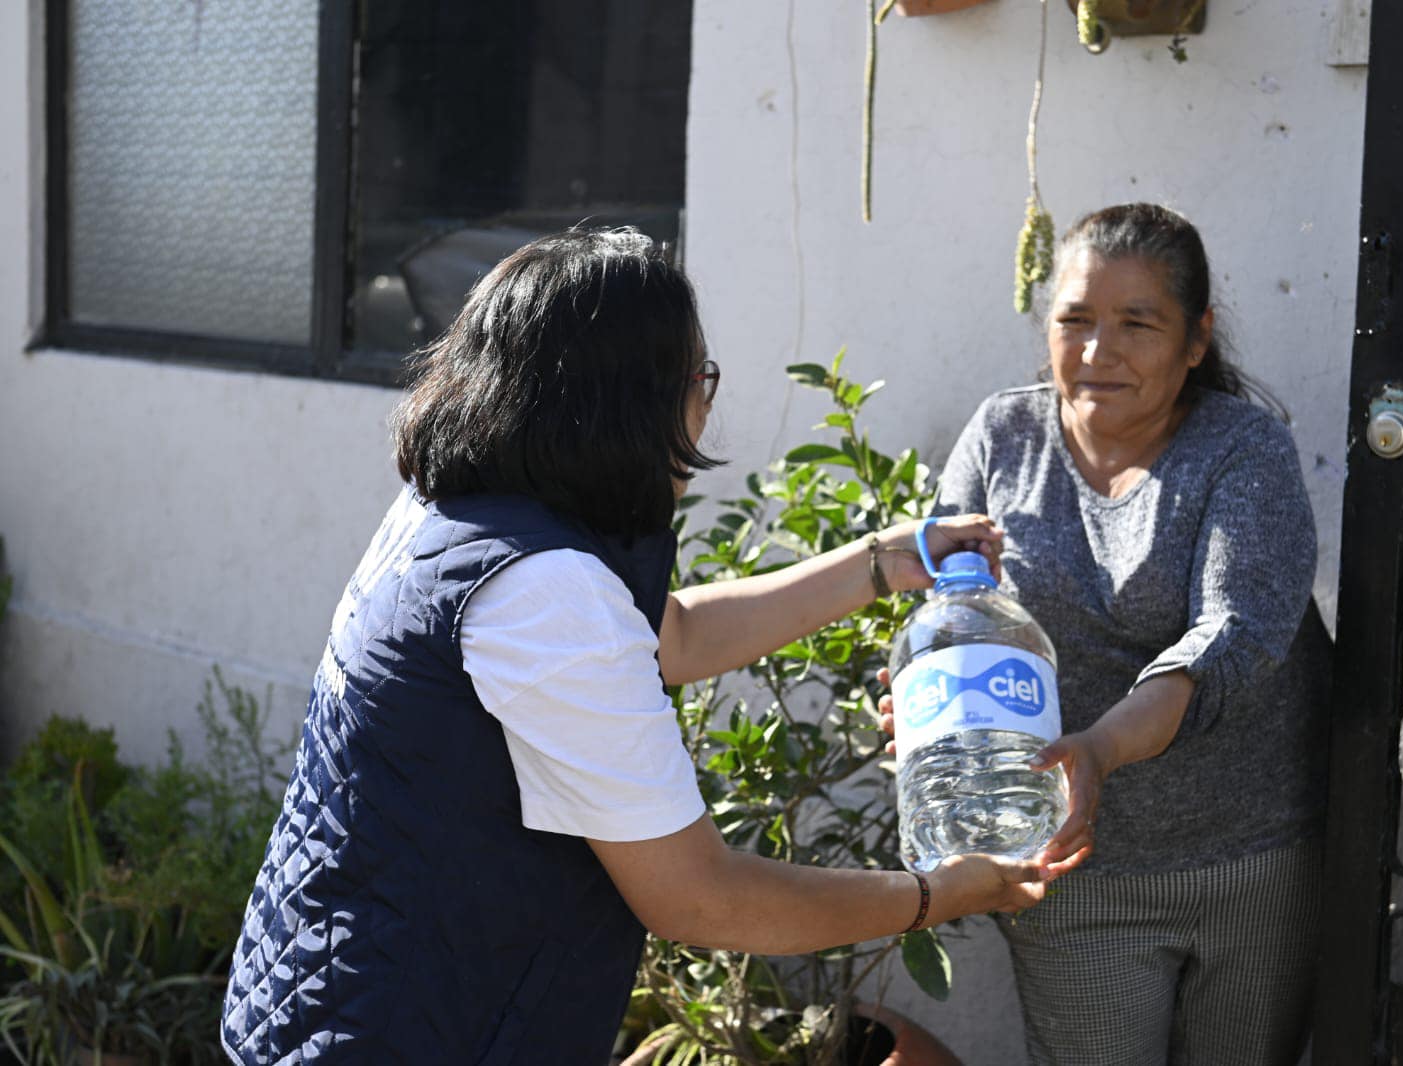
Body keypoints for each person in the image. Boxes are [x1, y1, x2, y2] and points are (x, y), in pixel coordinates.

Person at [219, 229, 1065, 1065]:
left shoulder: (465, 513)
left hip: (341, 991)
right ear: (629, 402)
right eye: (701, 378)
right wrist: (938, 893)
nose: (706, 403)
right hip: (413, 1029)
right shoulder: (541, 590)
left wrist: (890, 559)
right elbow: (701, 896)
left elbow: (676, 635)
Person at [881, 203, 1332, 1065]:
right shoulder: (1003, 438)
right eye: (1075, 320)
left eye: (1137, 323)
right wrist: (929, 709)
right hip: (1071, 868)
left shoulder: (1244, 450)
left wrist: (1100, 749)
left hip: (1253, 857)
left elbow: (1230, 638)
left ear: (1196, 340)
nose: (1098, 351)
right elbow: (950, 611)